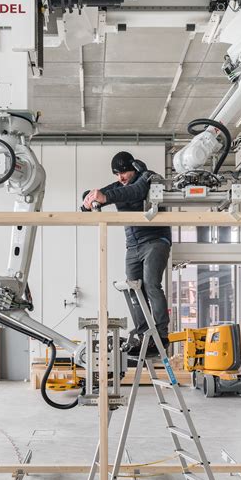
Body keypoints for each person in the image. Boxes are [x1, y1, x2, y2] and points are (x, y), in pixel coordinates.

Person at [82, 151, 171, 356]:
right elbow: (103, 193)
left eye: (124, 173)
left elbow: (136, 192)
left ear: (134, 168)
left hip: (156, 241)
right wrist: (88, 198)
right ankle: (144, 336)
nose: (120, 178)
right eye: (117, 174)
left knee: (151, 285)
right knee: (133, 289)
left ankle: (162, 335)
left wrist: (105, 196)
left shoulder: (147, 178)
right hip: (132, 246)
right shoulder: (119, 186)